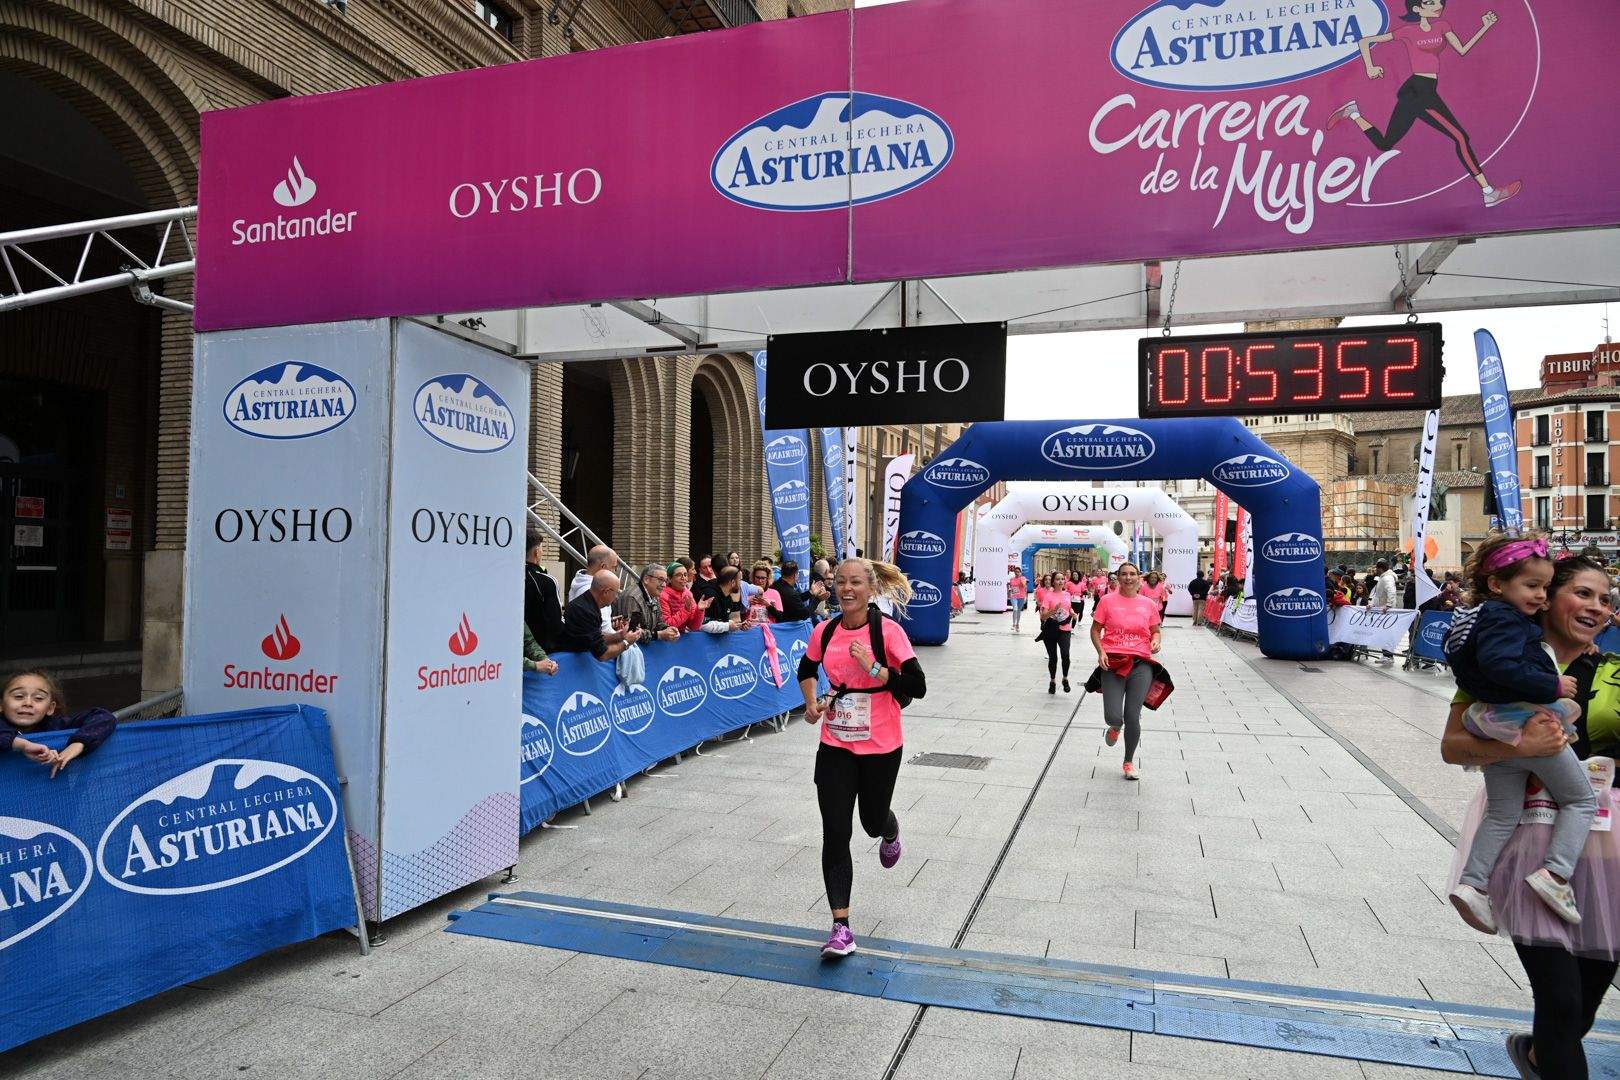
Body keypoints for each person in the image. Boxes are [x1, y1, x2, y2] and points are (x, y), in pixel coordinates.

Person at [1440, 557, 1620, 1080]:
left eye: (1605, 600)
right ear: (1545, 596)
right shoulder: (1502, 667)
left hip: (1608, 849)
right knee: (1561, 1001)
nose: (1596, 607)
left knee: (1583, 1003)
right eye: (1583, 593)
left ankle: (1540, 1055)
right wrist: (1517, 742)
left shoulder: (1612, 670)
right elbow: (1453, 746)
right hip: (1529, 840)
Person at [1444, 535, 1595, 932]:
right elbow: (1501, 665)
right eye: (1533, 586)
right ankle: (1555, 875)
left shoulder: (1480, 617)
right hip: (1523, 719)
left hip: (1494, 719)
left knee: (1501, 813)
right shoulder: (1503, 619)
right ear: (1497, 584)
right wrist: (1552, 687)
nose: (1540, 596)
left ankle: (1473, 884)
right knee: (1581, 799)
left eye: (1545, 587)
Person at [798, 558, 925, 959]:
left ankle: (889, 829)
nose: (846, 589)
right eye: (840, 582)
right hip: (835, 743)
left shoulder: (889, 631)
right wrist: (810, 704)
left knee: (871, 822)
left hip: (882, 745)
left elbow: (918, 685)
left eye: (855, 582)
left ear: (870, 589)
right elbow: (806, 667)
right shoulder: (825, 629)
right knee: (835, 832)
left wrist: (874, 667)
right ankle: (841, 927)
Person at [1327, 0, 1519, 209]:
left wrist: (1485, 26)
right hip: (1419, 91)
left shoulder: (1443, 26)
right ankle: (1488, 192)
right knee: (1460, 137)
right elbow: (1365, 42)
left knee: (1384, 144)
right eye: (1430, 3)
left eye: (1438, 2)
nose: (1437, 5)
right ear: (1417, 9)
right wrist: (1370, 67)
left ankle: (1353, 113)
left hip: (1423, 90)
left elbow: (1462, 50)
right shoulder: (1407, 31)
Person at [1091, 562, 1162, 781]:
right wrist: (1100, 651)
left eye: (1132, 574)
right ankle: (1114, 726)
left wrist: (1155, 642)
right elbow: (1095, 630)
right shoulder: (1106, 601)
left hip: (1141, 663)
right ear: (1118, 578)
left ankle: (1128, 761)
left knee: (1133, 715)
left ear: (1139, 578)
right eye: (1124, 574)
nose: (1128, 578)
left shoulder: (1148, 604)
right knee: (1114, 715)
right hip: (1113, 661)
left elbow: (1155, 631)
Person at [2, 670, 116, 778]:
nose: (28, 703)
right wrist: (22, 745)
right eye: (18, 696)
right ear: (1, 704)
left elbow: (104, 717)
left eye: (38, 698)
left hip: (52, 794)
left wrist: (78, 743)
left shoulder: (57, 725)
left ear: (50, 708)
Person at [555, 570, 641, 660]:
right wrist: (626, 642)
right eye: (616, 593)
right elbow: (602, 654)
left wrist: (620, 635)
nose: (616, 597)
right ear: (606, 592)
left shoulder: (589, 604)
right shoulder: (585, 610)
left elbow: (594, 638)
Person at [612, 563, 683, 643]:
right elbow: (630, 632)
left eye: (665, 581)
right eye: (660, 580)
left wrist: (667, 629)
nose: (664, 585)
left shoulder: (654, 595)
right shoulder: (632, 597)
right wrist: (659, 635)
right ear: (646, 579)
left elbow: (658, 623)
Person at [524, 531, 565, 654]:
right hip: (541, 650)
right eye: (541, 549)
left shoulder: (507, 576)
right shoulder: (547, 581)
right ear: (536, 552)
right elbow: (556, 623)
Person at [1036, 572, 1075, 694]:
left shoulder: (1067, 594)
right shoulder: (1048, 596)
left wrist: (1073, 613)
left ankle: (1065, 678)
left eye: (1062, 579)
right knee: (1053, 657)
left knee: (1065, 655)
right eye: (1058, 579)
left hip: (1065, 628)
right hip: (1051, 629)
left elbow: (1069, 608)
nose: (1060, 581)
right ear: (1053, 581)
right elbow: (1043, 617)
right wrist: (1053, 610)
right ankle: (1052, 681)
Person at [660, 562, 714, 632]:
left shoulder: (688, 594)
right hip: (666, 638)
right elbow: (667, 625)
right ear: (669, 579)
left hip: (682, 637)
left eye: (685, 575)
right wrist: (685, 610)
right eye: (679, 575)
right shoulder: (663, 595)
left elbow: (693, 627)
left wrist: (700, 611)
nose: (683, 578)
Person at [1007, 566, 1028, 633]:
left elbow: (1024, 586)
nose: (1017, 573)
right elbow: (1010, 587)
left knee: (1018, 611)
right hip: (1013, 596)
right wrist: (1009, 593)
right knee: (1015, 609)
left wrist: (1021, 578)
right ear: (1014, 572)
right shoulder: (1012, 579)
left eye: (1018, 572)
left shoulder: (1023, 578)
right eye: (1016, 572)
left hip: (1021, 596)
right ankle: (1013, 624)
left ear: (1020, 572)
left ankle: (1017, 624)